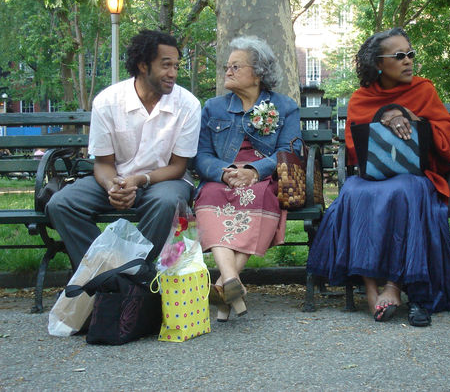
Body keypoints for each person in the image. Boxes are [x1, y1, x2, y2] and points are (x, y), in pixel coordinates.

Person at [306, 27, 450, 327]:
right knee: (352, 192)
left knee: (403, 190)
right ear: (378, 63)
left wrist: (407, 115)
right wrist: (383, 117)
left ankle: (393, 286)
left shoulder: (424, 90)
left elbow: (444, 136)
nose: (408, 61)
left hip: (417, 175)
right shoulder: (362, 98)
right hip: (372, 176)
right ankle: (371, 289)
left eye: (410, 54)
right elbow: (353, 148)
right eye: (398, 56)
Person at [47, 30, 201, 268]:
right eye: (166, 65)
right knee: (61, 204)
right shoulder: (108, 101)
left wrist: (139, 180)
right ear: (142, 65)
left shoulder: (187, 105)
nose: (173, 73)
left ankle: (132, 277)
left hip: (163, 180)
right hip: (116, 180)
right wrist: (112, 187)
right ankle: (104, 273)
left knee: (167, 203)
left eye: (176, 66)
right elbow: (103, 163)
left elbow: (178, 166)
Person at [194, 35, 301, 321]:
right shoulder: (213, 108)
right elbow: (202, 155)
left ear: (258, 73)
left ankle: (223, 283)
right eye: (227, 67)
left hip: (262, 177)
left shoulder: (284, 106)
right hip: (223, 177)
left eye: (235, 67)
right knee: (209, 195)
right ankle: (231, 281)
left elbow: (290, 151)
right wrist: (224, 172)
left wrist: (254, 171)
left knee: (256, 194)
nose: (227, 72)